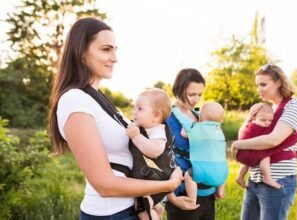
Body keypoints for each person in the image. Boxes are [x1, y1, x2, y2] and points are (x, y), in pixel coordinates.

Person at [48, 17, 182, 219]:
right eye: (106, 49)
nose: (114, 57)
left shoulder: (98, 98)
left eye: (115, 49)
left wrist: (166, 196)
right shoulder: (75, 100)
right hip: (111, 213)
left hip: (132, 208)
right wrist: (168, 185)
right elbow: (105, 185)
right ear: (81, 52)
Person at [231, 64, 297, 220]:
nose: (259, 89)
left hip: (279, 177)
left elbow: (273, 140)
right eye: (257, 85)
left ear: (279, 82)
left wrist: (236, 146)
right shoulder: (267, 109)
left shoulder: (294, 106)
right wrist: (249, 118)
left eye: (263, 84)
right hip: (255, 177)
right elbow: (245, 133)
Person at [165, 68, 224, 220]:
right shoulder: (167, 118)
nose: (196, 99)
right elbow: (160, 159)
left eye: (199, 94)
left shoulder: (201, 116)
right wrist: (171, 197)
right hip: (183, 193)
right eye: (191, 94)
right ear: (178, 90)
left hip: (207, 191)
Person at [126, 88, 174, 220]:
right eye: (134, 108)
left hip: (154, 178)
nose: (134, 112)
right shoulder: (147, 129)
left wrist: (136, 136)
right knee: (149, 205)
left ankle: (152, 212)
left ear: (156, 116)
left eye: (140, 109)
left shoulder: (157, 130)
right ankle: (156, 207)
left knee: (142, 210)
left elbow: (155, 151)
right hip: (152, 179)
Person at [180, 101, 226, 205]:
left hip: (204, 171)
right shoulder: (219, 131)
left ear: (200, 119)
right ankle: (220, 191)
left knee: (188, 175)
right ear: (221, 120)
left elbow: (183, 134)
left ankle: (192, 199)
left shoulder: (198, 129)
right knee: (221, 171)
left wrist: (186, 125)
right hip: (222, 171)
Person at [235, 102, 282, 189]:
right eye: (263, 120)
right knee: (265, 158)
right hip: (248, 152)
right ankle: (267, 178)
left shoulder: (246, 125)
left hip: (243, 153)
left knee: (246, 164)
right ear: (254, 117)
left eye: (270, 120)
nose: (267, 123)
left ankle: (240, 177)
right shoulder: (255, 128)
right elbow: (270, 139)